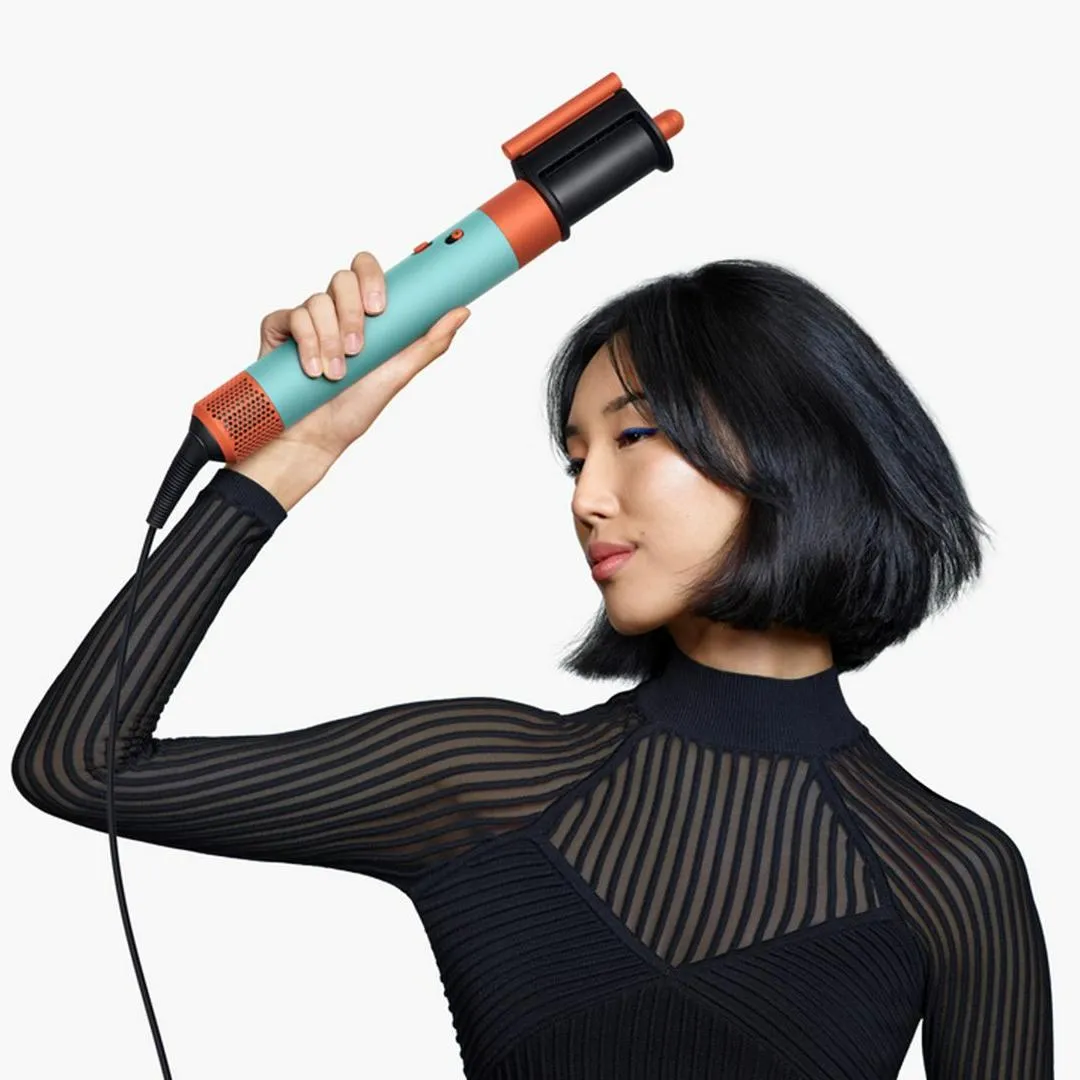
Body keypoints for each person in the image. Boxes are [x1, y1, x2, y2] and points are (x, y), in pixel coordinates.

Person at [11, 251, 1054, 1079]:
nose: (586, 497)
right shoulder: (482, 781)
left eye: (634, 436)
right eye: (575, 456)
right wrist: (289, 460)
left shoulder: (952, 877)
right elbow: (81, 766)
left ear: (798, 443)